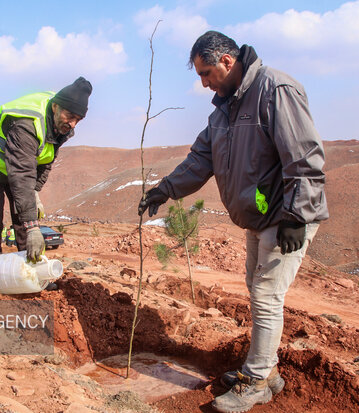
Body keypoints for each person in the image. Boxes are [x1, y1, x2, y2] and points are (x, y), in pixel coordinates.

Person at [138, 31, 328, 412]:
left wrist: (297, 215)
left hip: (285, 214)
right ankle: (266, 370)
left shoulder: (275, 90)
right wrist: (164, 189)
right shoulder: (223, 110)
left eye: (206, 73)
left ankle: (256, 381)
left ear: (227, 60)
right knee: (257, 291)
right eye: (200, 76)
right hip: (259, 218)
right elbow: (200, 160)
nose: (204, 83)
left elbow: (303, 155)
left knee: (266, 295)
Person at [0, 77, 92, 287]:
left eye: (78, 119)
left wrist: (34, 191)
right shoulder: (27, 123)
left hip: (19, 163)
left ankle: (33, 274)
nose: (72, 123)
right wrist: (34, 227)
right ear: (55, 106)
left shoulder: (61, 125)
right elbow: (21, 173)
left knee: (24, 217)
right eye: (70, 116)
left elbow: (45, 160)